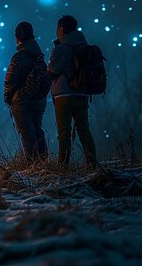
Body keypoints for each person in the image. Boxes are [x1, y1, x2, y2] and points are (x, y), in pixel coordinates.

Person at [47, 15, 98, 169]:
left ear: (61, 29)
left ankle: (63, 167)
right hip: (81, 94)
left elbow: (52, 70)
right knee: (84, 130)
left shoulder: (62, 48)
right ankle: (92, 164)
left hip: (64, 96)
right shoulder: (83, 45)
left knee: (64, 132)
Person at [4, 22, 49, 162]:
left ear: (18, 37)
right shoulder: (39, 56)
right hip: (39, 99)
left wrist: (8, 98)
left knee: (27, 134)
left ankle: (32, 165)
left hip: (22, 101)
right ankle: (43, 162)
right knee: (38, 132)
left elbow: (10, 80)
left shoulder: (19, 57)